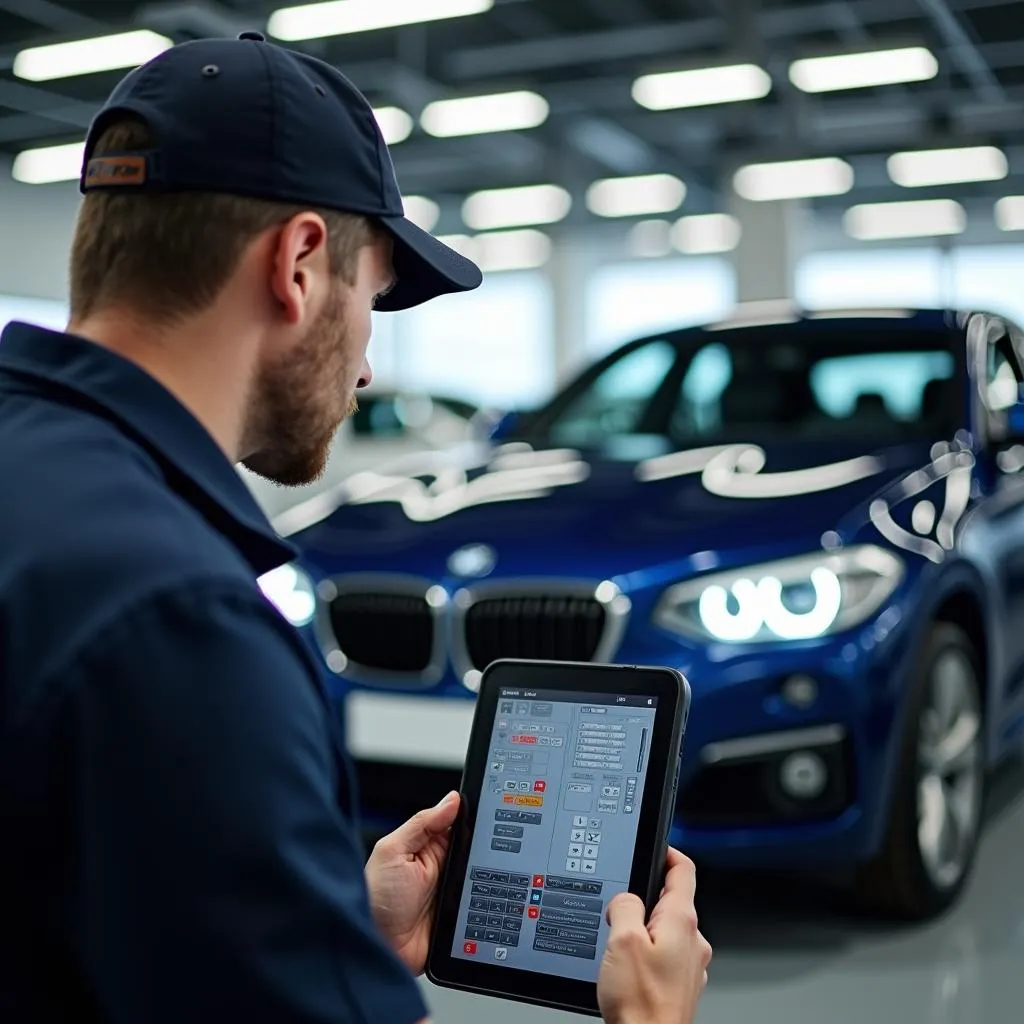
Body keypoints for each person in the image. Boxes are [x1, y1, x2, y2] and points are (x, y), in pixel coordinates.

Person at [0, 31, 712, 1024]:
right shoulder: (178, 621)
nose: (368, 364)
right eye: (372, 298)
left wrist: (331, 932)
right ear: (297, 264)